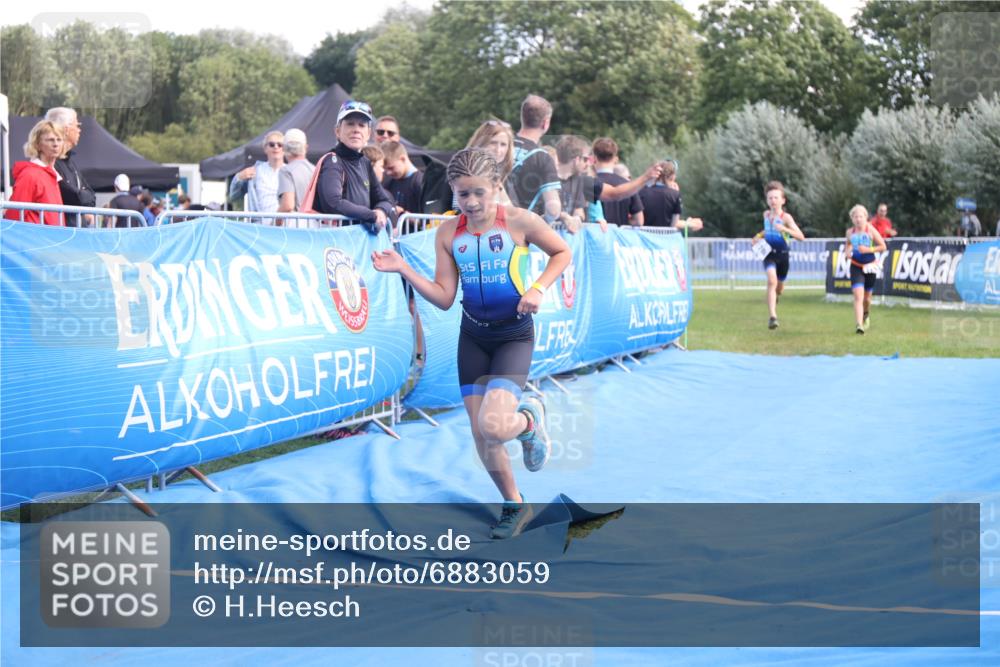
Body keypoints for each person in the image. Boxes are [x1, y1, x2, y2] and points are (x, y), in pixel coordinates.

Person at [371, 148, 571, 539]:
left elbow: (562, 252)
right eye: (463, 194)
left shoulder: (519, 221)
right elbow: (445, 297)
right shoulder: (448, 233)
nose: (472, 202)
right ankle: (515, 505)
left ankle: (529, 422)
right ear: (453, 191)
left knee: (494, 426)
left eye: (480, 192)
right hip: (473, 337)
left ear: (497, 187)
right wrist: (404, 268)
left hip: (513, 334)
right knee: (482, 435)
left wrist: (538, 288)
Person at [553, 135, 664, 234]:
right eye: (586, 159)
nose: (589, 163)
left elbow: (615, 193)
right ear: (577, 160)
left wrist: (646, 177)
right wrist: (564, 217)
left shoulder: (584, 182)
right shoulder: (544, 180)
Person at [314, 100, 394, 234]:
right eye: (350, 124)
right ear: (337, 131)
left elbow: (384, 200)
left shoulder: (365, 162)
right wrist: (371, 215)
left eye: (361, 125)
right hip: (336, 242)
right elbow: (333, 202)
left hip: (361, 242)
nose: (356, 129)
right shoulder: (332, 160)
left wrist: (380, 210)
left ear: (368, 134)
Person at [751, 181, 805, 330]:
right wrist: (758, 236)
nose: (773, 201)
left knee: (779, 288)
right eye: (770, 198)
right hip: (768, 253)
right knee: (771, 281)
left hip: (783, 255)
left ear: (782, 200)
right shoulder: (766, 215)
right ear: (767, 201)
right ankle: (773, 317)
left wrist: (784, 229)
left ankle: (776, 296)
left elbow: (801, 237)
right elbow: (766, 230)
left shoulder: (786, 218)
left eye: (776, 198)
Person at [509, 95, 562, 222]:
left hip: (486, 225)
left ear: (522, 117)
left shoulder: (498, 146)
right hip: (518, 228)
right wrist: (545, 221)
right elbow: (553, 208)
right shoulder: (542, 157)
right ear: (545, 123)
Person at [5, 120, 65, 225]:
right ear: (37, 144)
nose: (55, 144)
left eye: (59, 139)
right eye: (50, 140)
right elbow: (14, 215)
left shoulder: (52, 175)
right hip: (35, 239)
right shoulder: (30, 175)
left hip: (51, 238)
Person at [45, 107, 96, 226]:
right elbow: (72, 197)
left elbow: (92, 196)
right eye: (77, 125)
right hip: (62, 233)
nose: (79, 130)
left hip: (76, 232)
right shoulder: (51, 162)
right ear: (66, 129)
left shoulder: (70, 162)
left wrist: (81, 195)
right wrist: (81, 195)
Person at [844, 205, 887, 334]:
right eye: (855, 217)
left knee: (867, 299)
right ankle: (859, 325)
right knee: (858, 296)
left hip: (870, 266)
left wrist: (869, 250)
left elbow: (883, 246)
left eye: (861, 216)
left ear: (865, 217)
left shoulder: (871, 230)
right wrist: (847, 252)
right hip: (856, 266)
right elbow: (848, 244)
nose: (858, 219)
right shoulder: (849, 232)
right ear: (852, 219)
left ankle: (866, 314)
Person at [229, 130, 285, 221]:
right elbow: (233, 196)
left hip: (284, 228)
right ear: (265, 148)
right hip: (260, 229)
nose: (276, 147)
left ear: (284, 149)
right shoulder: (255, 171)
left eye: (280, 144)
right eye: (271, 144)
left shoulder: (290, 172)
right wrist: (238, 177)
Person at [639, 161, 703, 231]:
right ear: (672, 176)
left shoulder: (642, 193)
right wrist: (689, 223)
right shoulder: (675, 195)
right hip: (665, 239)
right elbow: (673, 225)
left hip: (644, 238)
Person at [592, 137, 643, 227]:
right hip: (620, 238)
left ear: (594, 158)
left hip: (596, 237)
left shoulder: (589, 183)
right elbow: (639, 221)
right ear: (616, 159)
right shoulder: (628, 185)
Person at [277, 128, 315, 213]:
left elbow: (288, 205)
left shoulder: (286, 171)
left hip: (296, 224)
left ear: (284, 148)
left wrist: (274, 223)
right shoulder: (315, 170)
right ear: (305, 147)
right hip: (317, 224)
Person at [381, 140, 424, 215]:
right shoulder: (390, 183)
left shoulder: (420, 183)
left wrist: (402, 213)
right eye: (385, 169)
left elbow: (427, 220)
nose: (388, 173)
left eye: (391, 168)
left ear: (403, 159)